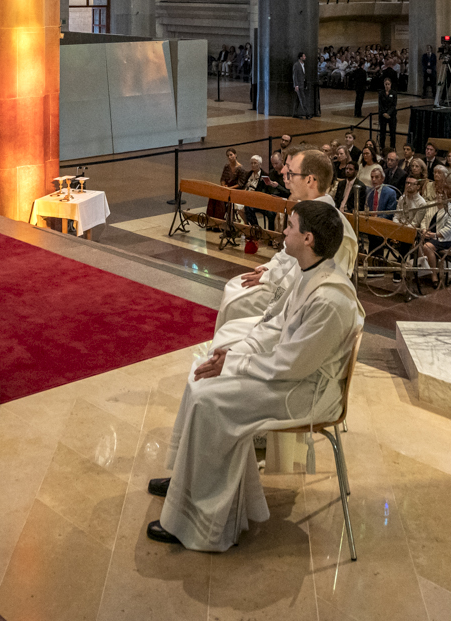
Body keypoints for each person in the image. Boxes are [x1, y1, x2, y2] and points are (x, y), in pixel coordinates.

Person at [148, 202, 362, 551]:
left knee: (209, 399)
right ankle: (185, 485)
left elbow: (290, 365)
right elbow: (278, 325)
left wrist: (234, 366)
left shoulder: (330, 299)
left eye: (290, 227)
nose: (284, 232)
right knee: (201, 378)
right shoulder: (311, 271)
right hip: (291, 374)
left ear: (308, 238)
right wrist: (236, 352)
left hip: (304, 392)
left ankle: (203, 523)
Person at [213, 149, 356, 335]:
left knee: (236, 301)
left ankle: (230, 354)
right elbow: (287, 252)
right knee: (235, 287)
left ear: (310, 180)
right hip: (282, 281)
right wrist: (269, 268)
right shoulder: (306, 210)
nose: (283, 174)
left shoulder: (328, 224)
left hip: (297, 300)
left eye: (291, 172)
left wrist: (268, 276)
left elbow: (311, 277)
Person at [377, 75, 399, 148]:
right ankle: (382, 147)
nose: (387, 86)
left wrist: (388, 113)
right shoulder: (381, 93)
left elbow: (394, 105)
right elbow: (380, 104)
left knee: (392, 133)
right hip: (382, 116)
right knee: (382, 132)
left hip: (391, 116)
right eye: (386, 84)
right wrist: (384, 113)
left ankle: (392, 147)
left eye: (388, 84)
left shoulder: (394, 93)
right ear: (384, 84)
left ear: (391, 84)